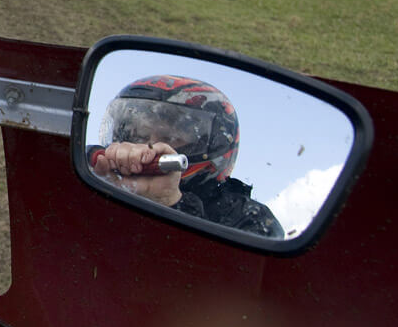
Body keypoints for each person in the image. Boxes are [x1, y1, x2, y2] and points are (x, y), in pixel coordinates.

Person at [89, 75, 284, 238]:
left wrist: (170, 203)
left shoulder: (248, 219)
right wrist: (95, 166)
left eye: (172, 138)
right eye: (139, 135)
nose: (151, 148)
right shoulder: (98, 177)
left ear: (216, 146)